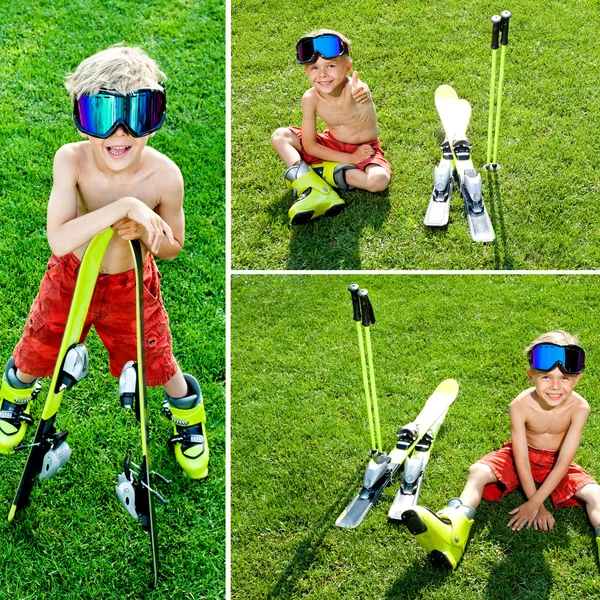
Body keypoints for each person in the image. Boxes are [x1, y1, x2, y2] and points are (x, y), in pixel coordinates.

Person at [0, 45, 209, 479]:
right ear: (82, 116)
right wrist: (124, 207)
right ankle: (15, 396)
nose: (119, 133)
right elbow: (59, 239)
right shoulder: (71, 160)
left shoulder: (165, 176)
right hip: (70, 279)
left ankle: (188, 418)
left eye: (138, 116)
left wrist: (151, 238)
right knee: (39, 344)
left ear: (155, 116)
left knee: (155, 359)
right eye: (102, 116)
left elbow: (174, 246)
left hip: (131, 286)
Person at [404, 331, 600, 569]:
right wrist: (534, 503)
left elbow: (564, 462)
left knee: (595, 494)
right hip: (522, 454)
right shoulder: (519, 406)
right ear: (531, 376)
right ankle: (451, 528)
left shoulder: (580, 408)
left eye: (565, 379)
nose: (555, 386)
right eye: (546, 377)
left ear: (577, 379)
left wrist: (536, 503)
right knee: (477, 472)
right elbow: (520, 457)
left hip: (557, 462)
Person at [271, 29, 392, 225]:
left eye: (331, 66)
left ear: (347, 68)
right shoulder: (310, 98)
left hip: (364, 149)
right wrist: (349, 159)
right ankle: (313, 186)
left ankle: (314, 173)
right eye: (314, 68)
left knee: (377, 181)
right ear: (306, 72)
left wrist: (361, 90)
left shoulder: (355, 89)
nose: (322, 75)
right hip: (332, 145)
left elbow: (361, 89)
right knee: (280, 136)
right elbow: (310, 145)